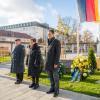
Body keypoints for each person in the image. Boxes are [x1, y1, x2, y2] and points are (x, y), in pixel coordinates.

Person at [45, 29, 61, 97]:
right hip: (48, 63)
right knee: (50, 77)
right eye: (48, 34)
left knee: (55, 78)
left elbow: (58, 53)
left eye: (49, 34)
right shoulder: (48, 41)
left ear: (53, 34)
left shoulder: (56, 41)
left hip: (54, 63)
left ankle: (56, 90)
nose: (48, 35)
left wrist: (56, 63)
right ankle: (52, 88)